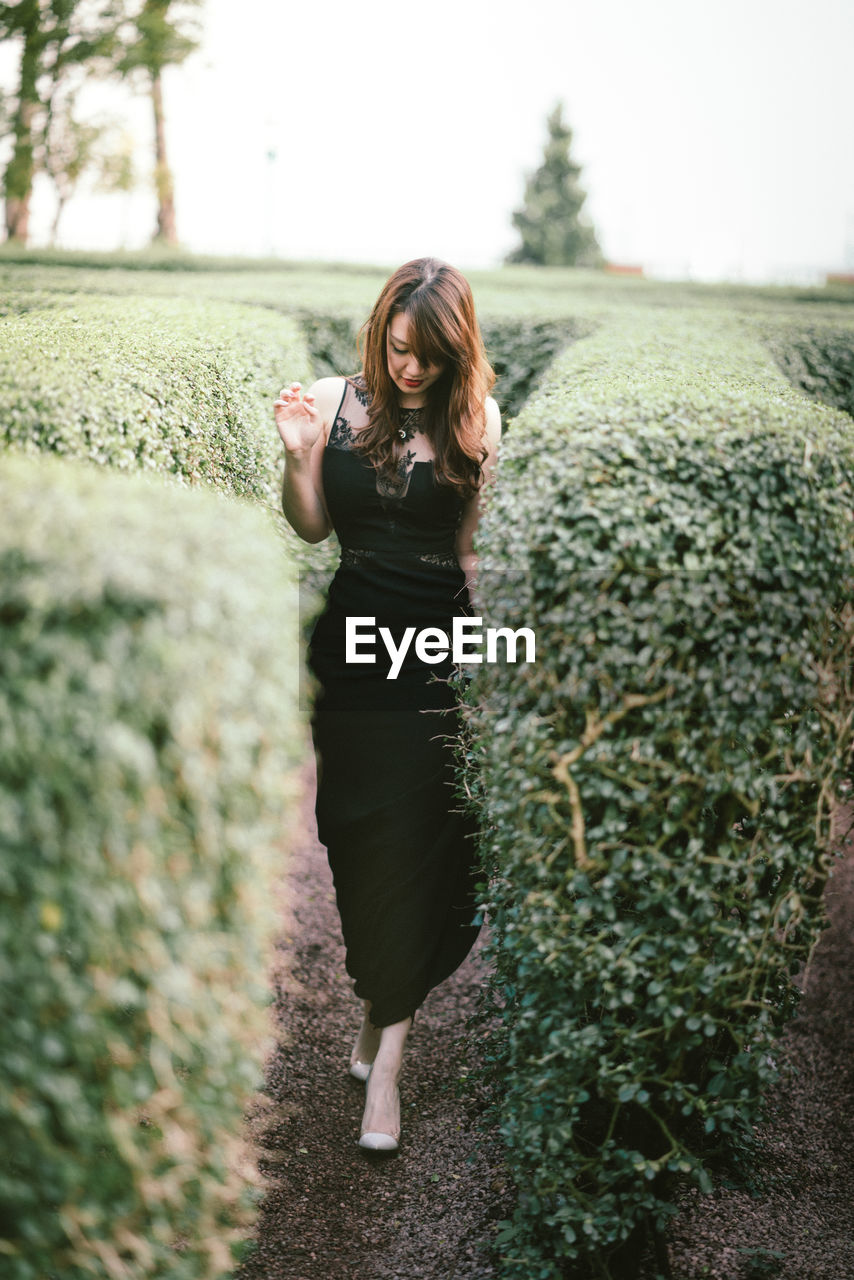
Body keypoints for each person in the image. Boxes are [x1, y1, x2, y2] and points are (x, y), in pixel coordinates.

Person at [274, 257, 501, 1154]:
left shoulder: (476, 416)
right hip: (353, 649)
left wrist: (494, 670)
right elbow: (314, 527)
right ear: (381, 333)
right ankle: (377, 1008)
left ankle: (388, 1076)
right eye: (402, 349)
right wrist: (300, 460)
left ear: (457, 353)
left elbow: (474, 557)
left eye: (432, 358)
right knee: (355, 837)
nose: (413, 370)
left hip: (439, 653)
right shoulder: (335, 400)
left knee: (416, 844)